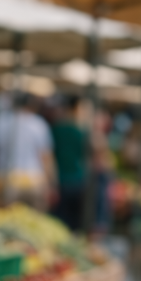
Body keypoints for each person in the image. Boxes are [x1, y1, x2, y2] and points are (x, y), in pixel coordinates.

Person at [0, 92, 55, 209]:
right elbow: (45, 157)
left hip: (6, 178)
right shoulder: (38, 124)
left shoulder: (0, 121)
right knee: (34, 221)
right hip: (34, 179)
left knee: (7, 220)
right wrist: (51, 185)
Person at [51, 96, 88, 230]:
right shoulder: (80, 132)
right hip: (76, 178)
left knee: (60, 219)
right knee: (74, 221)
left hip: (60, 179)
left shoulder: (56, 129)